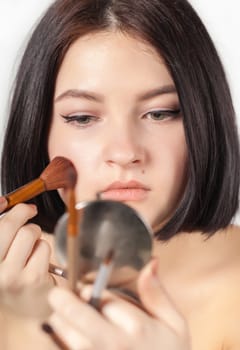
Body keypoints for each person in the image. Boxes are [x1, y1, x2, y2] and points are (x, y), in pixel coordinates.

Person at [0, 0, 239, 349]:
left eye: (160, 113)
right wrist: (27, 324)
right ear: (39, 132)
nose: (125, 152)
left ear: (204, 120)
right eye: (82, 118)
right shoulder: (12, 295)